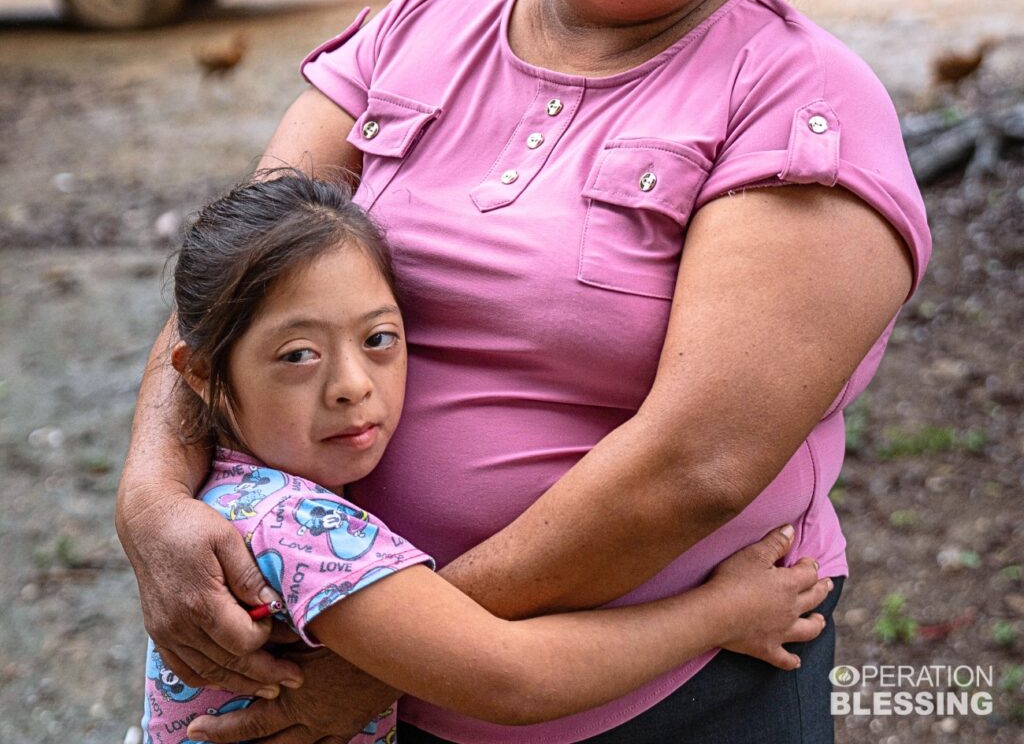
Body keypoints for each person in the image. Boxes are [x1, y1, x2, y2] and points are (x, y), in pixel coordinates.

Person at [116, 0, 930, 741]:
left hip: (661, 701)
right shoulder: (414, 33)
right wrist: (149, 501)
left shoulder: (798, 102)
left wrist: (397, 660)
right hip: (354, 649)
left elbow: (696, 466)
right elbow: (229, 288)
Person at [140, 171, 831, 744]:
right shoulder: (297, 532)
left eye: (380, 339)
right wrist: (721, 615)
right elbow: (514, 678)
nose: (353, 385)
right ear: (199, 374)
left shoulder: (229, 492)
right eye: (298, 356)